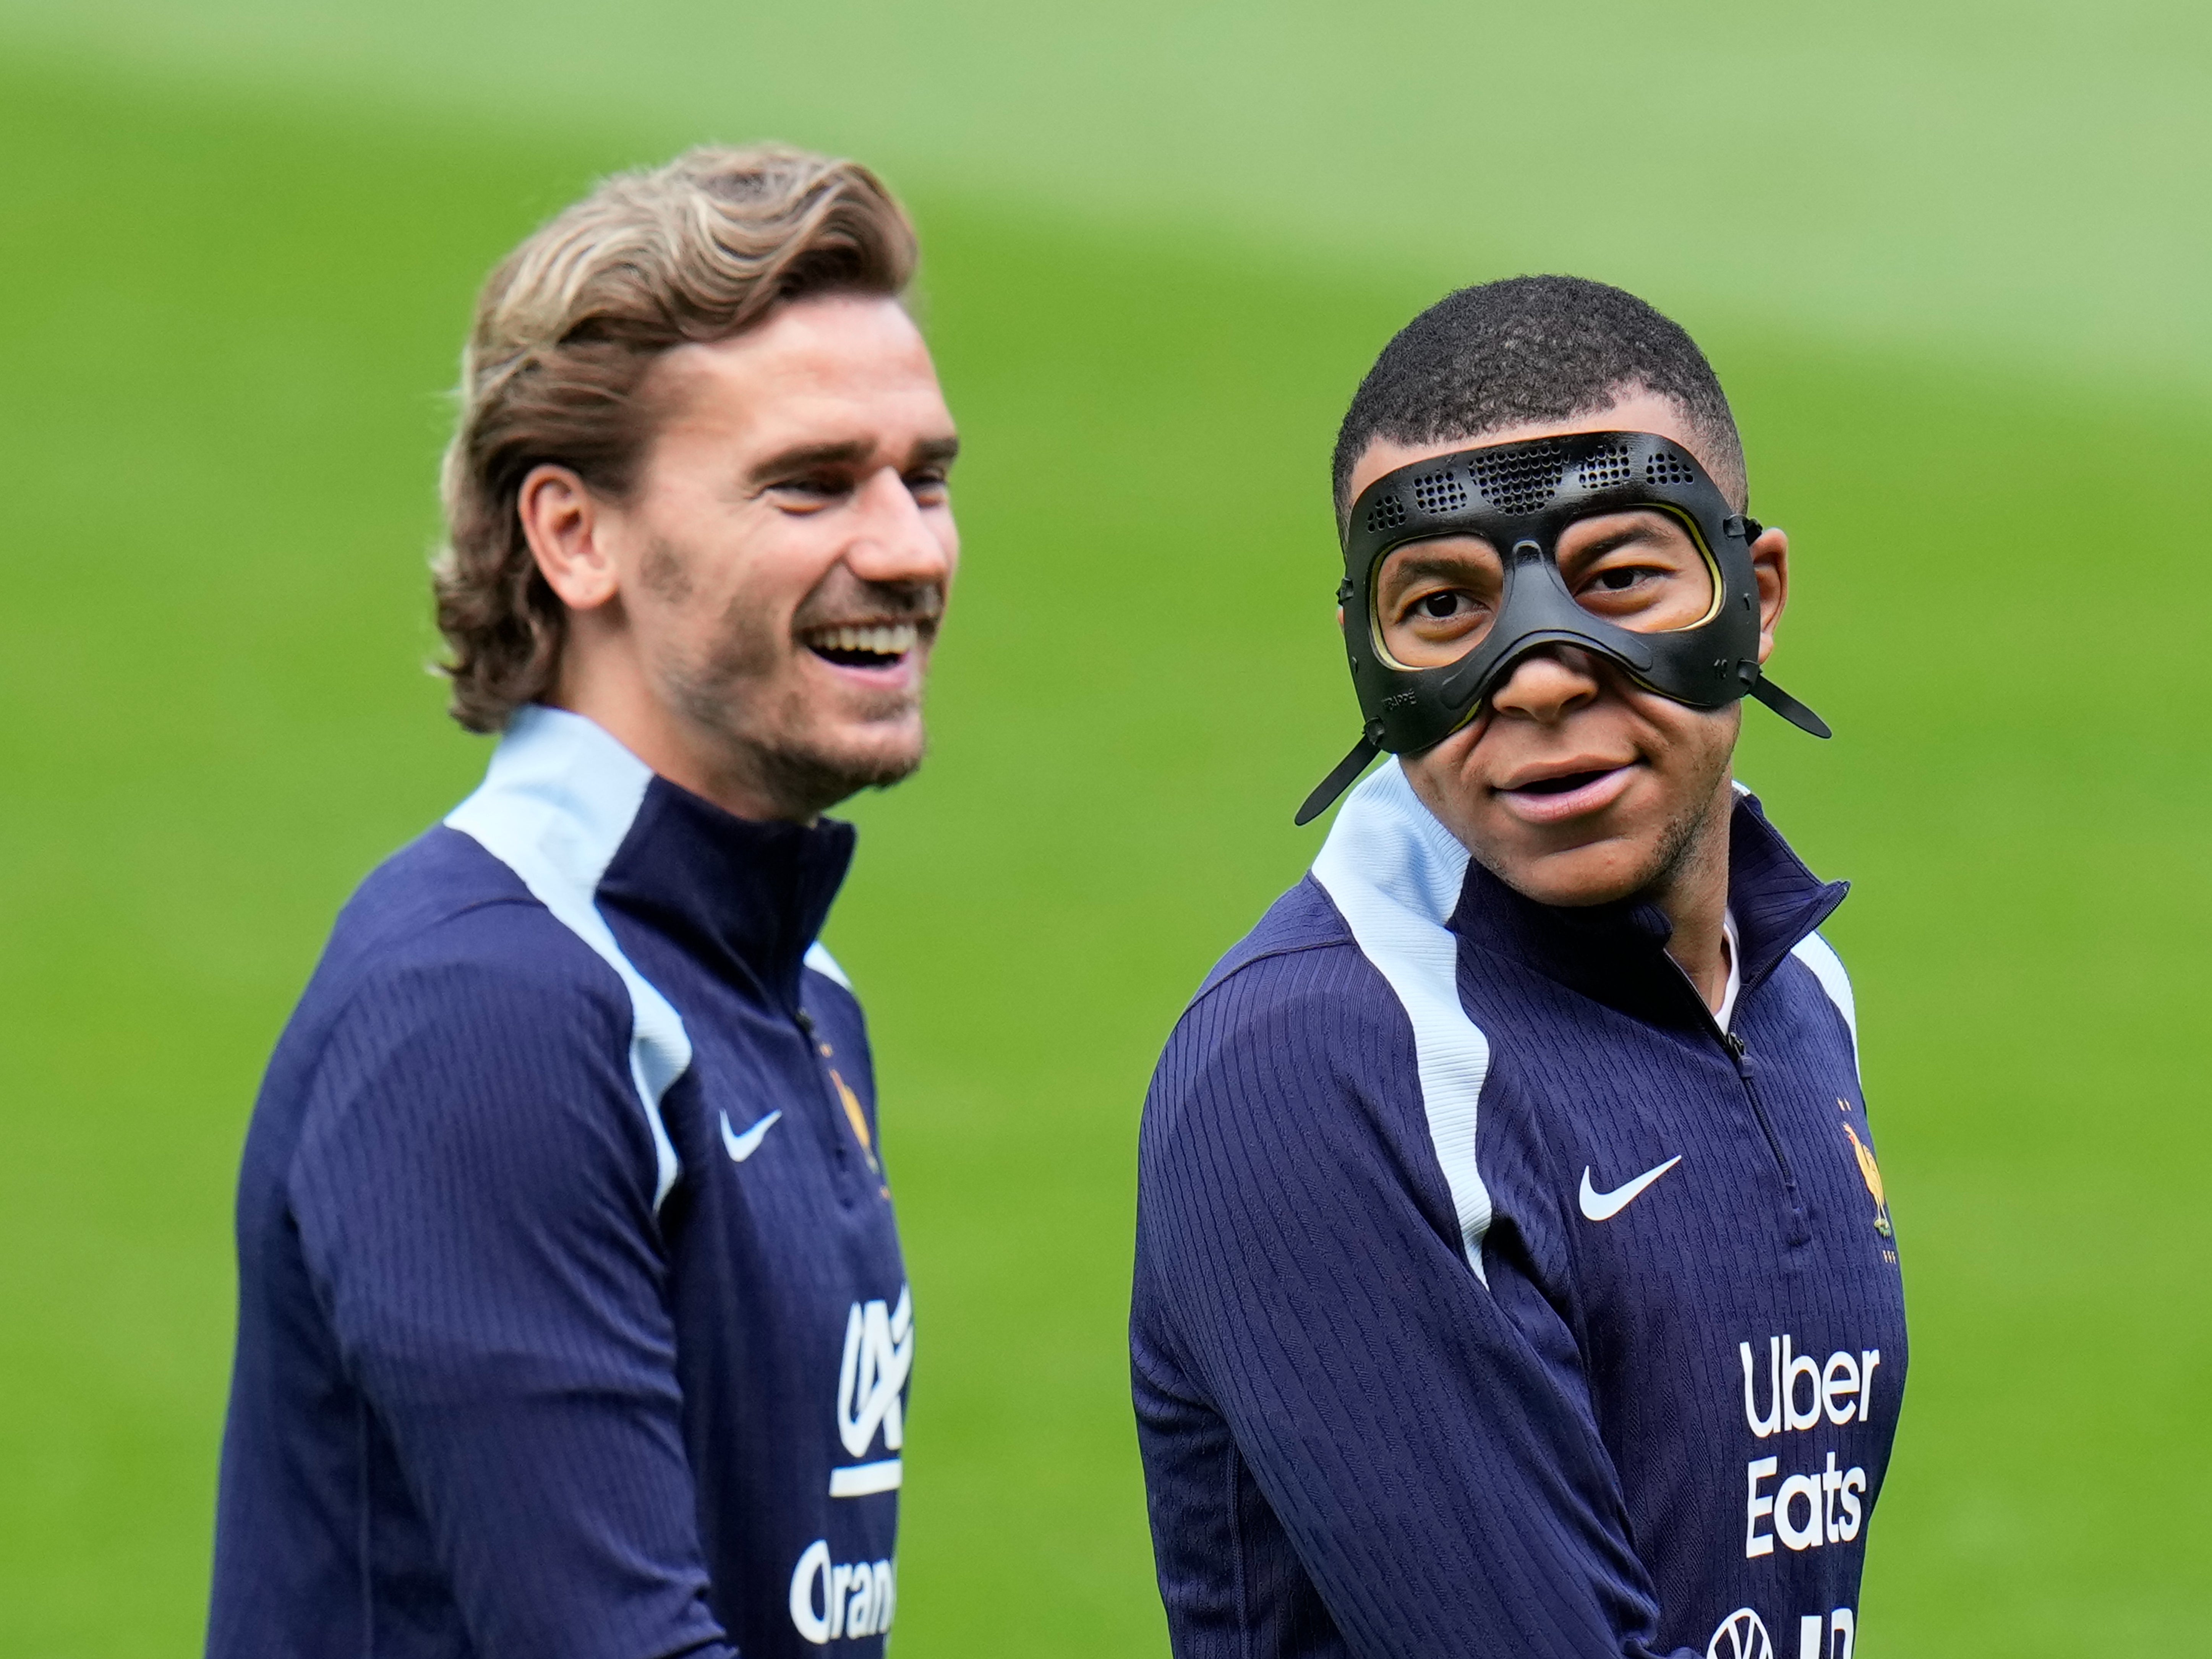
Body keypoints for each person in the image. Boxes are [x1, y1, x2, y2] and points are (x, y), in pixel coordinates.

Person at [207, 146, 956, 1659]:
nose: (908, 548)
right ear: (574, 535)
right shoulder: (491, 1007)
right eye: (810, 484)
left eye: (923, 476)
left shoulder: (792, 995)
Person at [1130, 277, 1906, 1659]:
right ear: (1366, 656)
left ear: (1756, 593)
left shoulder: (1792, 993)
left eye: (1618, 578)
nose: (1540, 676)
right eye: (1443, 605)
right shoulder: (1330, 1066)